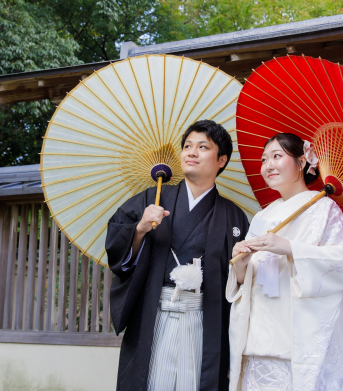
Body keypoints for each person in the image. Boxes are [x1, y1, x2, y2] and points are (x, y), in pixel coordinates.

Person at [106, 119, 250, 391]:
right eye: (187, 146)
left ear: (221, 160)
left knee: (196, 382)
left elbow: (241, 281)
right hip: (155, 313)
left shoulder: (233, 216)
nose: (191, 152)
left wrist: (242, 264)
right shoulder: (152, 198)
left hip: (203, 319)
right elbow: (116, 248)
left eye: (202, 147)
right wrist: (139, 229)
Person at [226, 133, 343, 391]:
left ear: (302, 162)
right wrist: (241, 264)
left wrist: (290, 248)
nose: (268, 165)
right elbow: (247, 281)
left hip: (296, 339)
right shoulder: (263, 216)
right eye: (264, 159)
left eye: (277, 156)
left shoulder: (323, 209)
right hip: (256, 337)